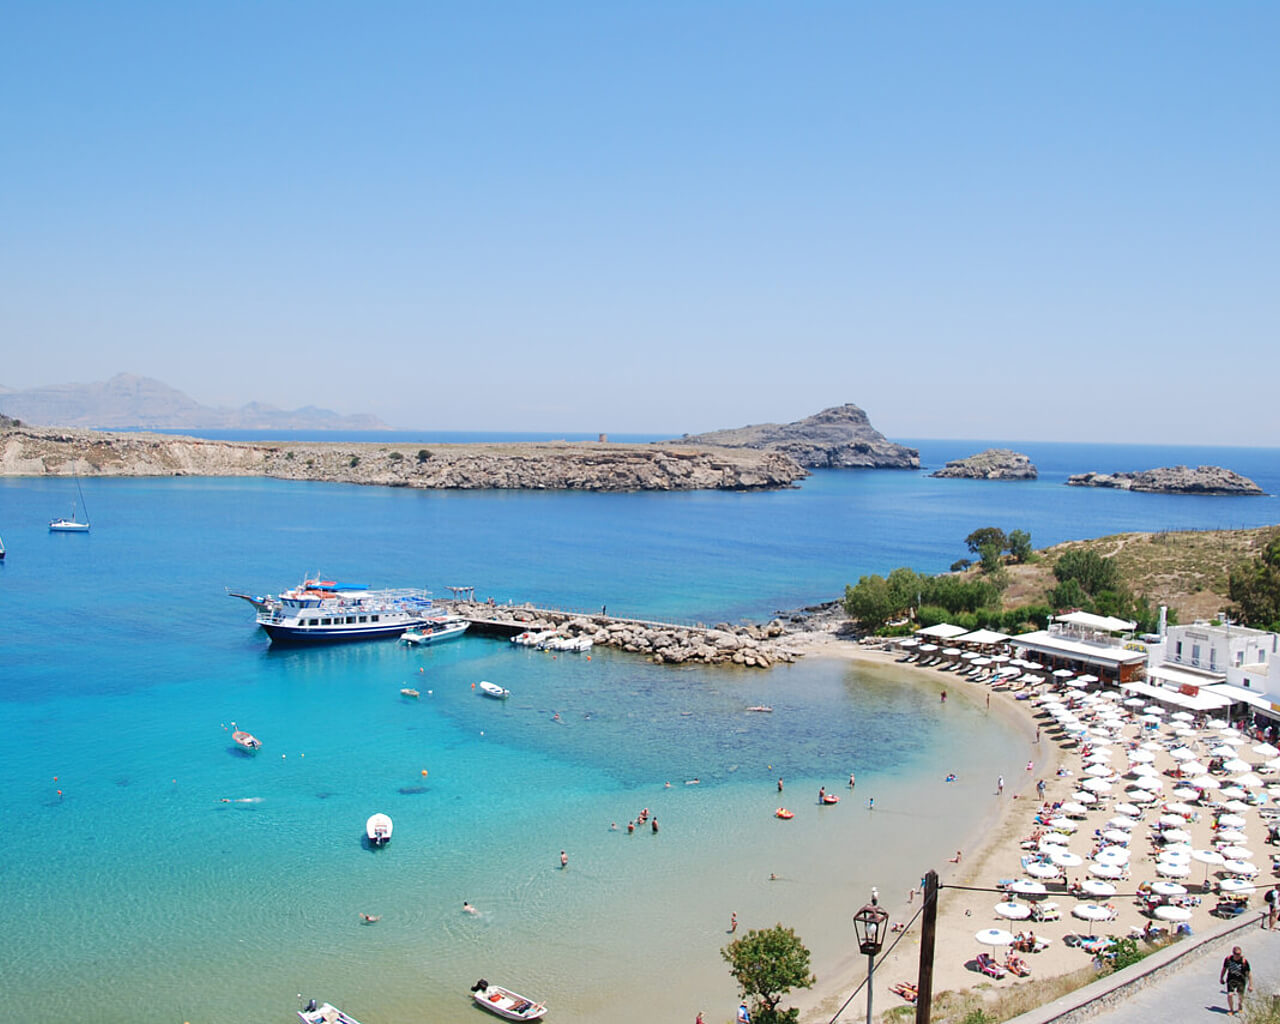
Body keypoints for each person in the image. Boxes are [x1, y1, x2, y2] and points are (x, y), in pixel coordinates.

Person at [1220, 945, 1252, 1015]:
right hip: (1231, 979)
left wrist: (1250, 985)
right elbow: (1224, 969)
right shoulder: (1228, 959)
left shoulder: (1244, 962)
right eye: (1236, 954)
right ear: (1233, 953)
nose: (1238, 955)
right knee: (1230, 995)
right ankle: (1231, 1010)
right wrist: (1221, 978)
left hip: (1241, 980)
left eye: (1239, 954)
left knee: (1240, 995)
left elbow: (1249, 973)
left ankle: (1240, 1006)